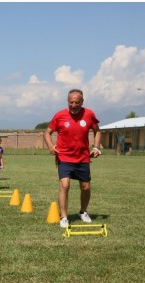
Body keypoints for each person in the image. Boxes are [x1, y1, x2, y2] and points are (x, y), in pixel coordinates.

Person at [43, 88, 102, 228]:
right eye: (71, 102)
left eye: (77, 102)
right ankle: (64, 217)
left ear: (82, 101)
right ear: (67, 102)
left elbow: (97, 131)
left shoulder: (89, 114)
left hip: (83, 158)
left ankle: (83, 212)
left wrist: (96, 147)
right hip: (64, 157)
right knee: (64, 185)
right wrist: (51, 146)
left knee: (86, 187)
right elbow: (47, 132)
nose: (74, 105)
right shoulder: (59, 116)